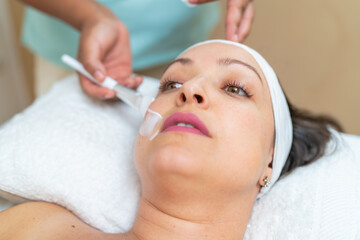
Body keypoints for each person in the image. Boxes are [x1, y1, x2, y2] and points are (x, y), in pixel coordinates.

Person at [0, 40, 341, 239]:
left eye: (235, 88)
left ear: (271, 159)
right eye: (171, 85)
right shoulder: (37, 228)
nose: (191, 90)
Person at [20, 0, 255, 99]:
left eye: (234, 90)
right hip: (75, 46)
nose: (192, 92)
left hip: (182, 37)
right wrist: (90, 17)